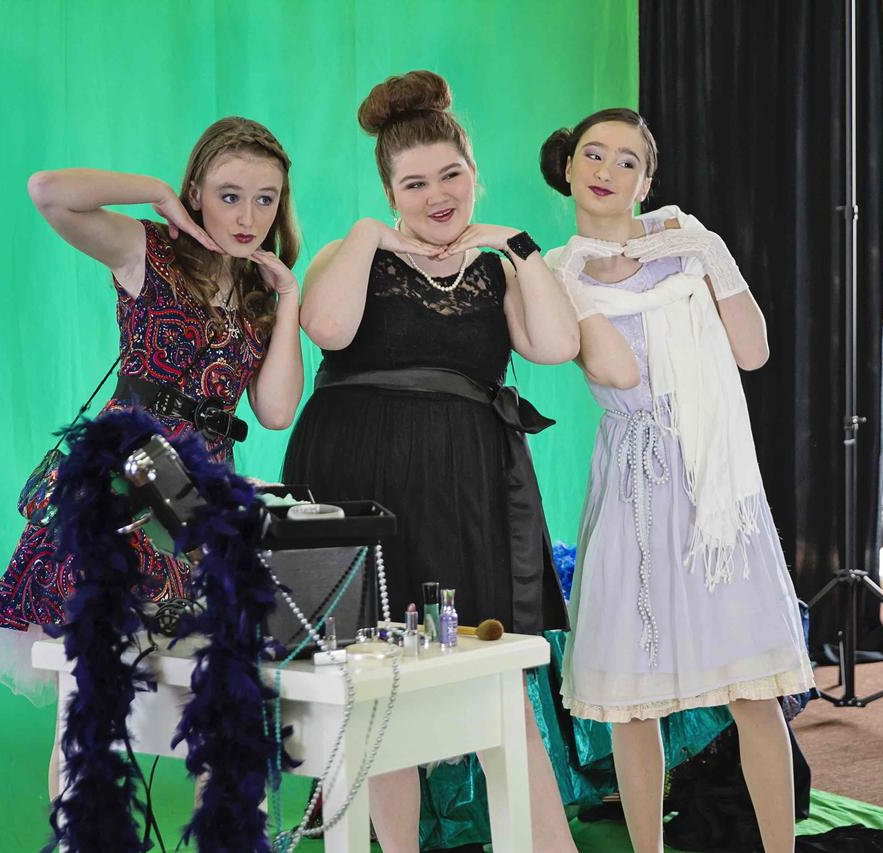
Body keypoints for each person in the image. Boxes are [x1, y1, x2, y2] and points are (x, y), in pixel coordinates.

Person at [282, 70, 579, 851]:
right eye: (413, 184)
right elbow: (328, 329)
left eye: (451, 175)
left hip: (463, 484)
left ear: (475, 172)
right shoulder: (352, 252)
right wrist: (367, 235)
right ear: (390, 192)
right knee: (372, 685)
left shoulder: (500, 266)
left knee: (493, 677)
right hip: (353, 483)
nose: (437, 196)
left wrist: (517, 245)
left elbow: (556, 344)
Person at [0, 116, 305, 800]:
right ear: (197, 193)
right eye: (229, 195)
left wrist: (290, 297)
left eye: (265, 199)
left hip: (198, 508)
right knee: (91, 703)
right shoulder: (147, 250)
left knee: (220, 699)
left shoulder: (259, 294)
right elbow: (48, 190)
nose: (248, 217)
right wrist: (155, 192)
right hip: (124, 492)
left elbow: (275, 410)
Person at [541, 107, 816, 853]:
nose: (606, 170)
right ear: (568, 166)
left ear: (647, 181)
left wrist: (713, 254)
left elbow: (752, 352)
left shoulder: (688, 247)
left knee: (754, 689)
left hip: (715, 484)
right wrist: (566, 279)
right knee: (633, 703)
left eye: (627, 161)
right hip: (634, 479)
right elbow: (615, 372)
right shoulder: (558, 272)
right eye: (593, 154)